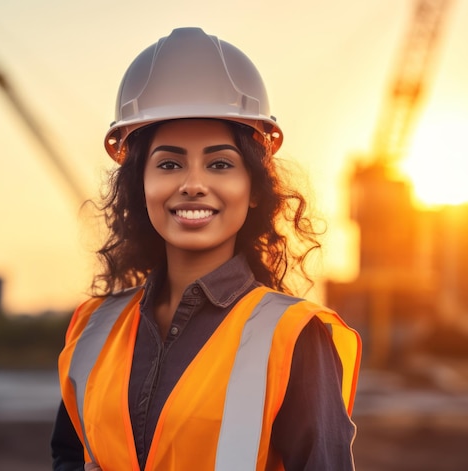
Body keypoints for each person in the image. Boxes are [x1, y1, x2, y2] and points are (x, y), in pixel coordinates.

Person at [51, 27, 361, 471]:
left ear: (254, 188)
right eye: (169, 164)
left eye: (219, 164)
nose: (193, 184)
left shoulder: (293, 337)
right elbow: (69, 455)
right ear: (140, 186)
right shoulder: (91, 330)